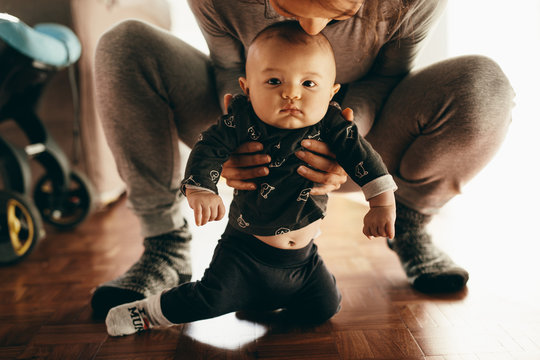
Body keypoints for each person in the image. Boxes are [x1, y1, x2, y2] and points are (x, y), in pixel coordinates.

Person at [91, 0, 514, 318]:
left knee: (484, 88)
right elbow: (229, 67)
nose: (311, 27)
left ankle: (410, 225)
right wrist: (235, 139)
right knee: (125, 44)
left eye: (337, 10)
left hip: (355, 136)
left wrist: (341, 138)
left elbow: (388, 78)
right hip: (251, 132)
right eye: (284, 5)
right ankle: (165, 244)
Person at [104, 21, 397, 336]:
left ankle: (264, 298)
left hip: (304, 261)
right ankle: (146, 313)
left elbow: (365, 158)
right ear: (247, 88)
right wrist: (202, 189)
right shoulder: (241, 118)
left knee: (326, 307)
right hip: (244, 255)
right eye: (273, 81)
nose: (291, 93)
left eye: (309, 84)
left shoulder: (333, 123)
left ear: (331, 91)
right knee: (207, 300)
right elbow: (208, 148)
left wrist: (381, 203)